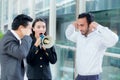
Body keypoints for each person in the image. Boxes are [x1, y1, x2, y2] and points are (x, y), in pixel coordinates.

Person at [65, 12, 118, 80]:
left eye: (82, 25)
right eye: (78, 25)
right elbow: (68, 35)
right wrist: (72, 25)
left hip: (93, 77)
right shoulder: (80, 36)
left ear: (90, 24)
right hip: (80, 76)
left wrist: (98, 26)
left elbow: (114, 39)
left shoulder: (99, 37)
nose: (80, 28)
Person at [0, 14, 33, 80]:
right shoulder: (8, 39)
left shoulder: (17, 39)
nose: (31, 32)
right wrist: (27, 36)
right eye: (29, 28)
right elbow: (21, 53)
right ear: (21, 28)